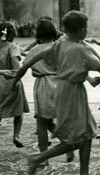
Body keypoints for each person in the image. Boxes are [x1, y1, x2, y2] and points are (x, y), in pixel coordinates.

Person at [12, 10, 100, 175]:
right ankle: (38, 157)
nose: (86, 30)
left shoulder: (61, 44)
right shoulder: (77, 49)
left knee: (87, 134)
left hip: (68, 91)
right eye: (85, 27)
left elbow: (34, 58)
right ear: (80, 30)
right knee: (78, 138)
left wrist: (17, 76)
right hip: (72, 94)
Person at [24, 19, 75, 164]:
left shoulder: (35, 50)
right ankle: (67, 145)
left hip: (43, 86)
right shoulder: (60, 47)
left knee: (41, 122)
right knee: (53, 122)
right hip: (60, 84)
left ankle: (43, 157)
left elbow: (30, 70)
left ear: (38, 35)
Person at [0, 21, 25, 148]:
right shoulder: (13, 47)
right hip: (10, 82)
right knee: (18, 111)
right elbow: (17, 69)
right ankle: (16, 135)